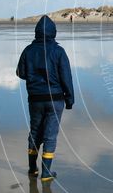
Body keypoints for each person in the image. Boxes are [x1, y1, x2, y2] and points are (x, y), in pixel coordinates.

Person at [16, 15, 74, 181]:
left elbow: (20, 73)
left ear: (36, 32)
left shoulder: (28, 50)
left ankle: (32, 169)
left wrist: (35, 78)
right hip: (55, 100)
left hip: (34, 98)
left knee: (35, 132)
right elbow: (66, 78)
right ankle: (46, 172)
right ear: (53, 32)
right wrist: (69, 100)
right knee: (50, 135)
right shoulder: (58, 52)